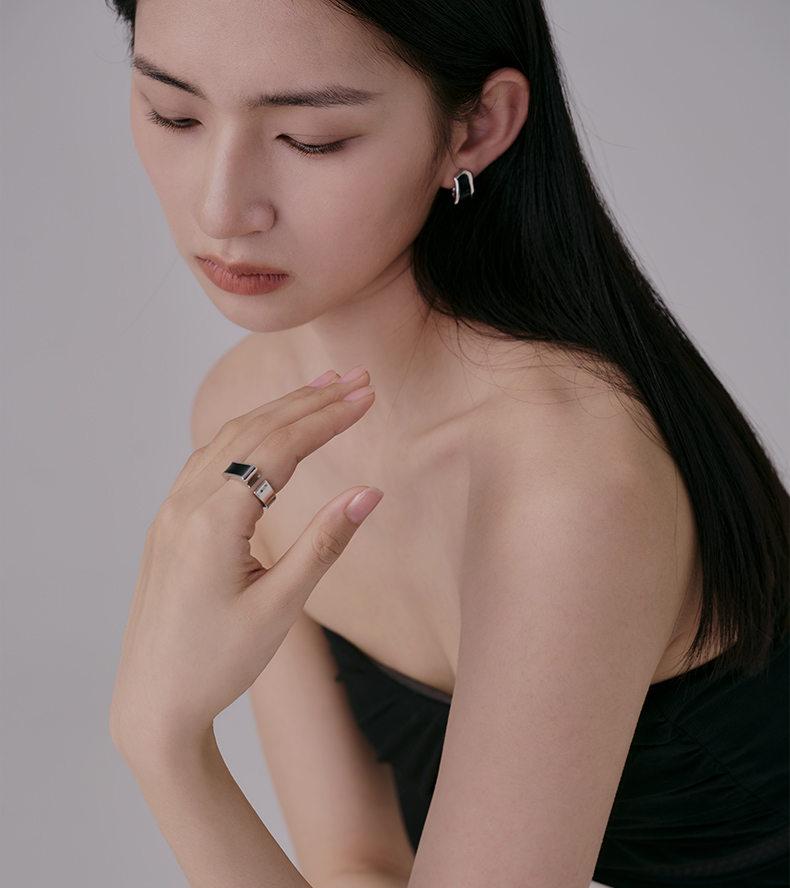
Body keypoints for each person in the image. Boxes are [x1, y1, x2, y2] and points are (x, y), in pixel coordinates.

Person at [107, 1, 789, 886]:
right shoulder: (251, 421)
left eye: (312, 139)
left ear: (477, 127)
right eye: (175, 115)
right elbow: (358, 865)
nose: (221, 207)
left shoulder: (570, 478)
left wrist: (163, 745)